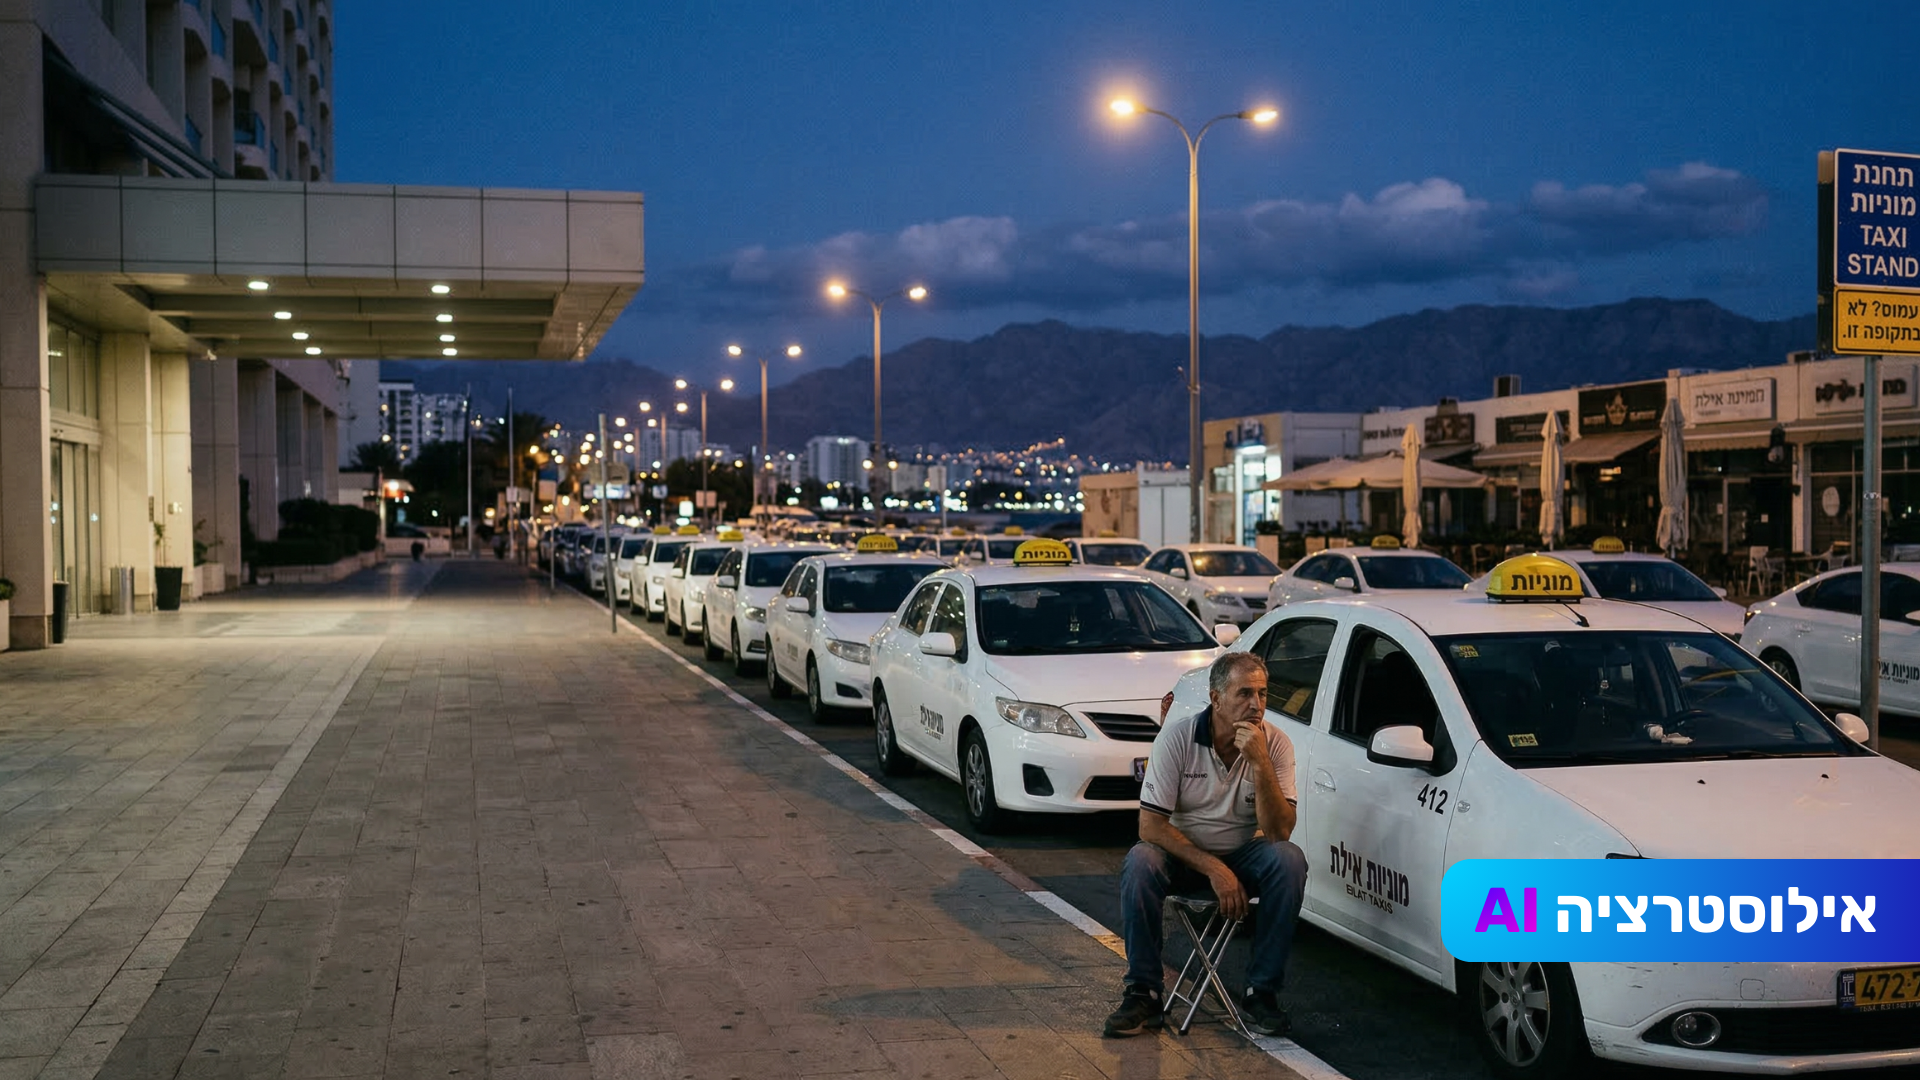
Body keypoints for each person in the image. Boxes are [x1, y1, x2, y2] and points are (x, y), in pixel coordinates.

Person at [1103, 652, 1307, 1038]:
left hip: (1245, 852)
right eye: (1244, 693)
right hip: (1184, 854)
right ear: (1215, 699)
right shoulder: (1177, 738)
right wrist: (1215, 869)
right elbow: (1150, 825)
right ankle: (1143, 992)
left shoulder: (1276, 745)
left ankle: (1260, 992)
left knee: (1289, 861)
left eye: (1263, 694)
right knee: (1140, 860)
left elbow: (1280, 833)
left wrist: (1261, 763)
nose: (1256, 705)